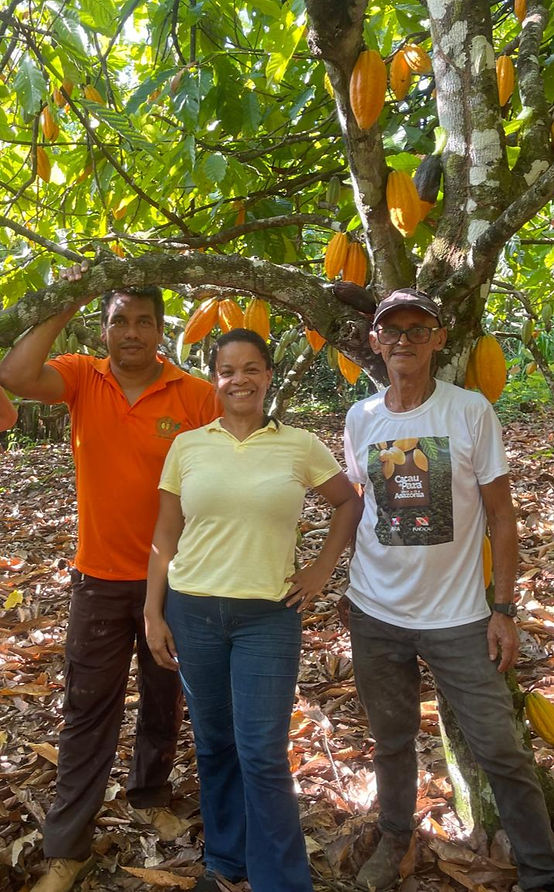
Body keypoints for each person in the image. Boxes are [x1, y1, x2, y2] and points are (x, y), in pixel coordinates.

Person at [0, 265, 219, 892]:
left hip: (176, 577)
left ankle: (149, 794)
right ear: (103, 328)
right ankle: (67, 848)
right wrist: (66, 300)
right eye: (119, 320)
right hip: (98, 577)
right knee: (87, 710)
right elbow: (15, 375)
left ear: (160, 329)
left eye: (144, 321)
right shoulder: (81, 376)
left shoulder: (194, 394)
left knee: (163, 696)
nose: (131, 332)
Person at [343, 287, 554, 891]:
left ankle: (541, 869)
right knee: (391, 740)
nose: (404, 340)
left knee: (500, 748)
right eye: (393, 330)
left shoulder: (469, 411)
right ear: (376, 341)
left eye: (418, 329)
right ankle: (394, 841)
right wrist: (345, 582)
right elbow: (361, 505)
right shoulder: (361, 418)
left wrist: (503, 608)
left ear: (438, 339)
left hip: (459, 617)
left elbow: (502, 516)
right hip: (376, 612)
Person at [145, 328, 362, 892]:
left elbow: (347, 503)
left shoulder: (299, 445)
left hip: (267, 615)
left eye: (250, 369)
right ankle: (225, 861)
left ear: (268, 375)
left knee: (262, 752)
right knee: (215, 743)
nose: (238, 379)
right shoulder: (188, 445)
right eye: (227, 370)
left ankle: (281, 881)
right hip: (193, 611)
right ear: (214, 379)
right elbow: (165, 534)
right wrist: (152, 611)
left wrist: (321, 570)